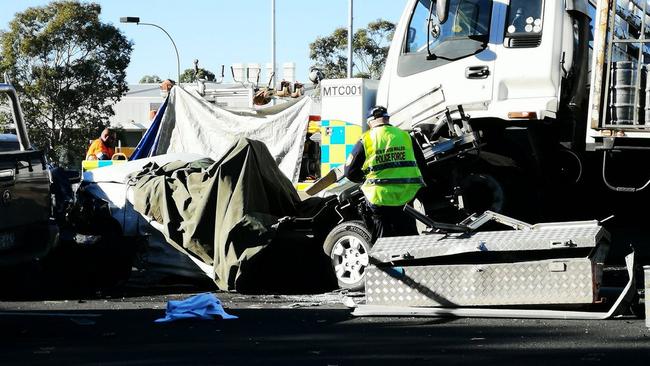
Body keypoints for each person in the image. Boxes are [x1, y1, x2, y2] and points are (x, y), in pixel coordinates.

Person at [344, 106, 428, 241]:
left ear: (370, 122)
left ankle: (385, 261)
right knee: (408, 237)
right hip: (406, 196)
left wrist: (364, 178)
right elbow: (422, 166)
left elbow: (349, 172)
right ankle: (410, 260)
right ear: (387, 118)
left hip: (379, 197)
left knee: (383, 240)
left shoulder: (366, 139)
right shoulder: (406, 136)